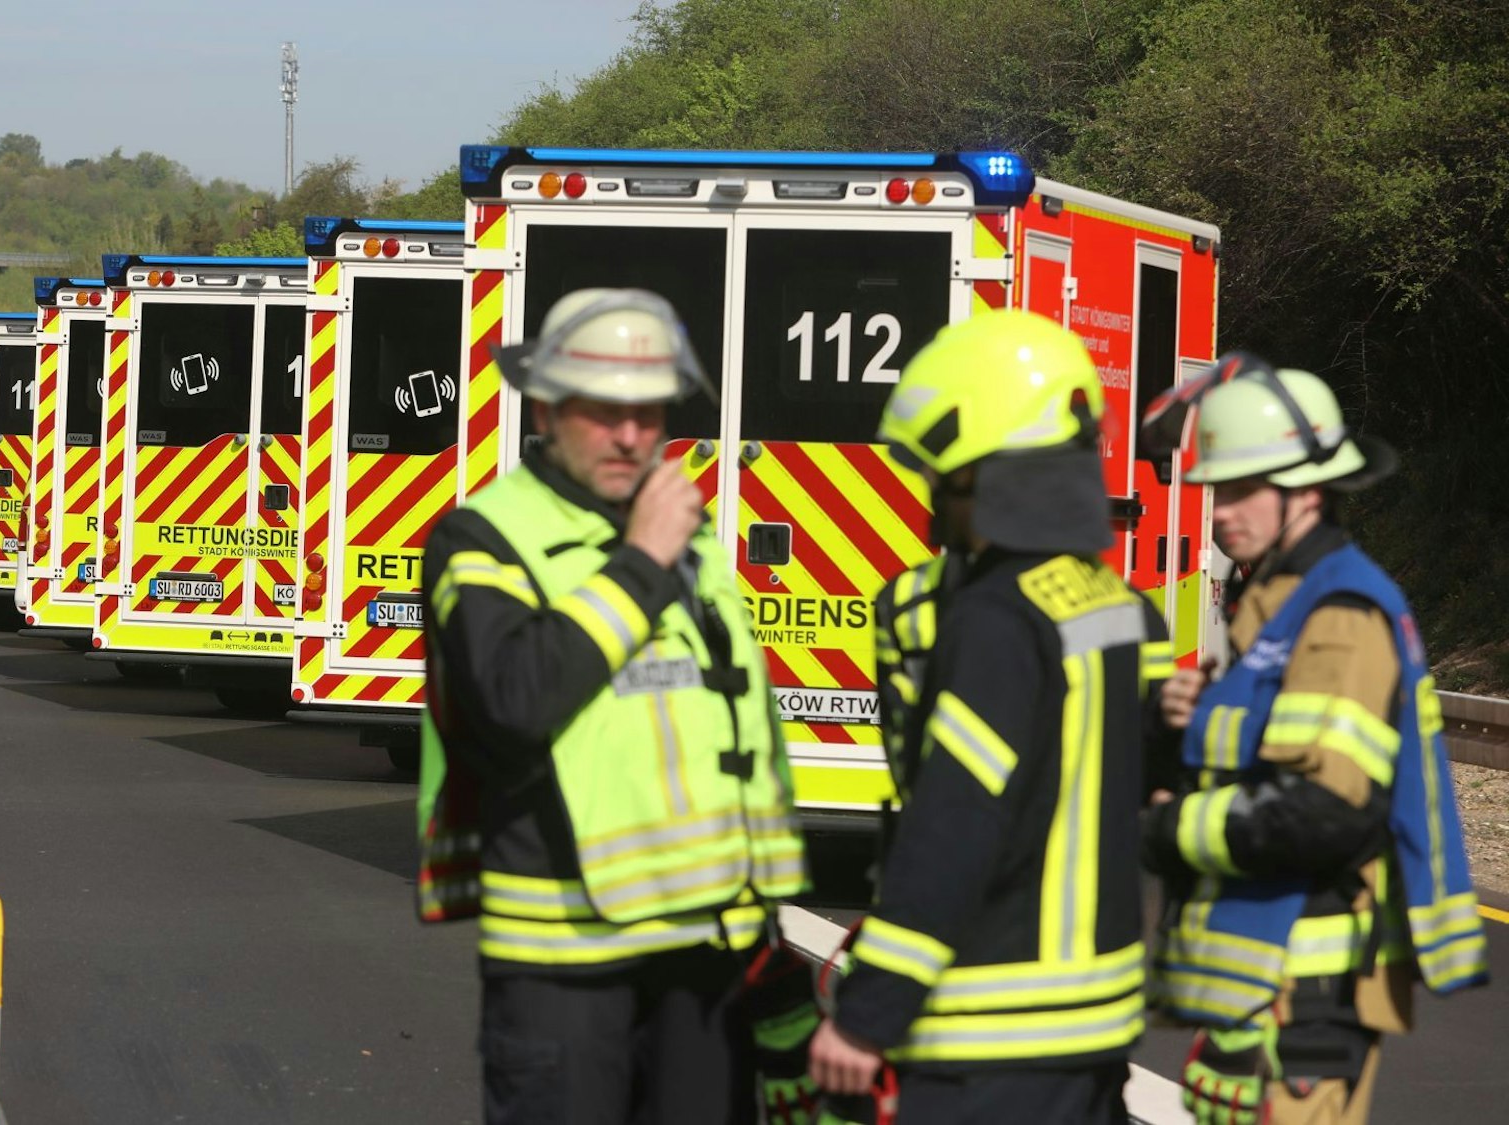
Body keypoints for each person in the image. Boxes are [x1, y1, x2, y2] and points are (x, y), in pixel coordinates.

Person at [417, 288, 808, 1125]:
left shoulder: (690, 544)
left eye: (649, 410)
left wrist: (768, 950)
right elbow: (514, 699)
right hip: (565, 962)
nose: (632, 435)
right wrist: (639, 564)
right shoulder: (482, 537)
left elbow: (728, 747)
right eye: (605, 411)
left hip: (708, 964)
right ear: (549, 406)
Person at [807, 310, 1172, 1123]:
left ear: (987, 472)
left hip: (991, 1037)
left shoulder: (996, 618)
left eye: (944, 477)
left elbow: (955, 824)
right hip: (1095, 1025)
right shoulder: (1118, 607)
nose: (937, 505)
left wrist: (869, 1013)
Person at [1135, 356, 1487, 1125]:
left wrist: (1166, 829)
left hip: (1306, 996)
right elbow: (1260, 753)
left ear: (1306, 488)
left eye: (1240, 489)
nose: (1220, 510)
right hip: (1266, 988)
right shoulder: (1274, 599)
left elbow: (1327, 810)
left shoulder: (1339, 610)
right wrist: (1177, 721)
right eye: (1215, 490)